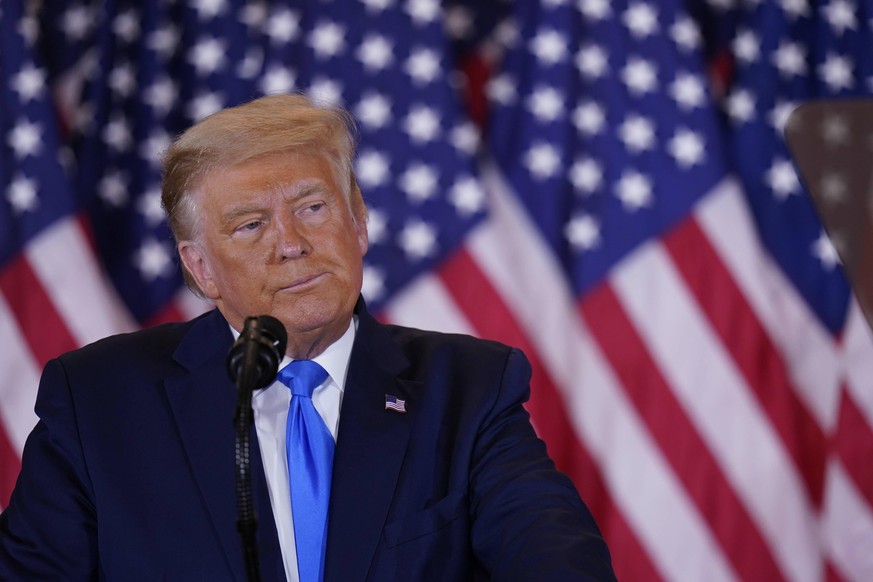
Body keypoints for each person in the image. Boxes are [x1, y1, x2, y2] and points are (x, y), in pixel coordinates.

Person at [0, 94, 615, 581]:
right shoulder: (100, 402)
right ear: (200, 268)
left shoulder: (468, 389)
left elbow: (558, 561)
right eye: (250, 225)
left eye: (313, 208)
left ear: (359, 224)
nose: (291, 242)